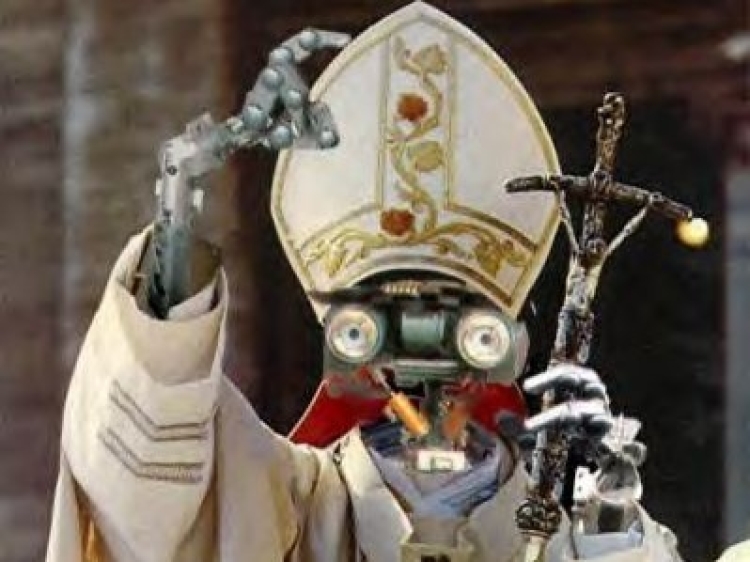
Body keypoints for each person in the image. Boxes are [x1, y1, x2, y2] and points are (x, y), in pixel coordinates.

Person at [46, 3, 683, 561]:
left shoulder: (561, 525)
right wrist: (174, 246)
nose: (424, 347)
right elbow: (148, 493)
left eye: (457, 322)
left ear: (504, 343)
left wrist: (608, 500)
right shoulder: (294, 506)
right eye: (386, 321)